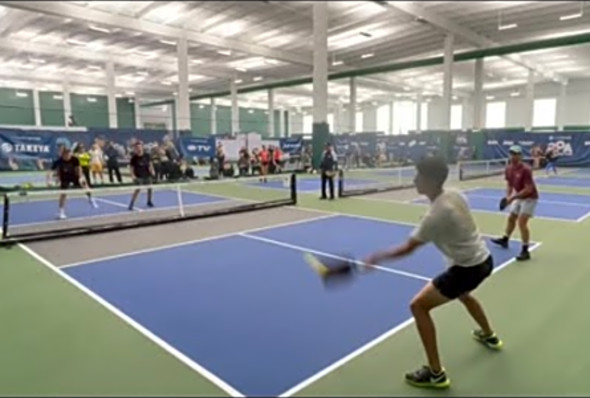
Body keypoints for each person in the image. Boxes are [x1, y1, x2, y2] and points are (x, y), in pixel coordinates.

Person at [350, 156, 502, 389]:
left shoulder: (436, 215)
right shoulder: (455, 194)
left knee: (418, 306)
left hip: (466, 269)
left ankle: (436, 373)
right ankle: (489, 335)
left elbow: (408, 248)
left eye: (418, 175)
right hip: (484, 260)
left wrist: (375, 257)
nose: (414, 179)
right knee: (464, 294)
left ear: (430, 181)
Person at [491, 145, 538, 261]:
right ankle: (505, 240)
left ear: (520, 155)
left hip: (530, 198)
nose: (513, 156)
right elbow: (510, 184)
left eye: (516, 154)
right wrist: (508, 197)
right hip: (518, 196)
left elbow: (528, 189)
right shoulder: (508, 168)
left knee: (522, 222)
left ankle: (525, 250)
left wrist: (512, 198)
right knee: (511, 218)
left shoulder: (526, 169)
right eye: (511, 153)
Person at [51, 146, 97, 219]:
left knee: (84, 184)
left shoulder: (75, 159)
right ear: (63, 155)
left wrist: (81, 177)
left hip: (74, 176)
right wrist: (50, 181)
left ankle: (90, 198)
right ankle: (61, 212)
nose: (68, 155)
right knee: (63, 194)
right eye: (66, 154)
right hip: (64, 178)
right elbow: (51, 172)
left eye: (69, 154)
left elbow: (79, 168)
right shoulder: (58, 161)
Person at [128, 142, 155, 211]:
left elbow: (150, 164)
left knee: (150, 188)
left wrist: (152, 170)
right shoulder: (134, 158)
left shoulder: (147, 155)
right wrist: (133, 175)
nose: (139, 149)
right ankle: (131, 204)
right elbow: (131, 168)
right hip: (139, 176)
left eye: (140, 147)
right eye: (137, 148)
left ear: (142, 147)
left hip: (147, 175)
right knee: (137, 190)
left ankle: (149, 201)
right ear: (135, 149)